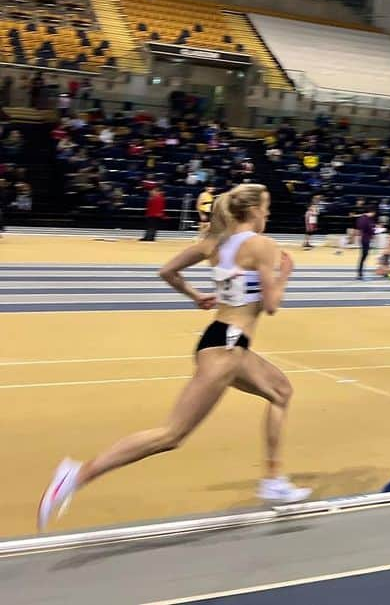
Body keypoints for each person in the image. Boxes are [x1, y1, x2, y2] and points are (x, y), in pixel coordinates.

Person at [37, 184, 310, 531]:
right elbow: (271, 306)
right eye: (266, 209)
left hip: (224, 343)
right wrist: (284, 273)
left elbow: (167, 271)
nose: (268, 215)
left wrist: (197, 296)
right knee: (171, 435)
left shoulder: (217, 243)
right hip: (227, 349)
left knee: (281, 391)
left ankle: (272, 479)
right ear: (254, 210)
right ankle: (77, 474)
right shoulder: (263, 246)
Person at [356, 207, 376, 280]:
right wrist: (373, 230)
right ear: (371, 212)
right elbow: (368, 228)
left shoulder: (364, 218)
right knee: (364, 256)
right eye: (373, 213)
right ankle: (360, 273)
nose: (373, 215)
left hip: (365, 238)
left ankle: (360, 272)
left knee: (364, 256)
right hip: (365, 239)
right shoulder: (365, 219)